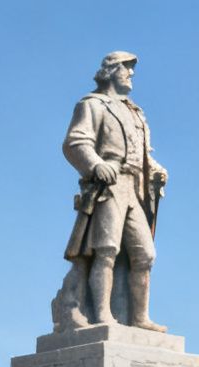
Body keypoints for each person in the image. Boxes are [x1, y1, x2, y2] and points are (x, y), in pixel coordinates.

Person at [60, 51, 169, 331]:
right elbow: (76, 142)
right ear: (110, 71)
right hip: (109, 185)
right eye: (125, 68)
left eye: (131, 69)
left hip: (136, 187)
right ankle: (102, 314)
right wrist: (95, 164)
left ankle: (139, 317)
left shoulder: (136, 112)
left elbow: (142, 153)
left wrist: (155, 168)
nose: (131, 74)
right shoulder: (93, 105)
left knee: (145, 255)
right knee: (106, 250)